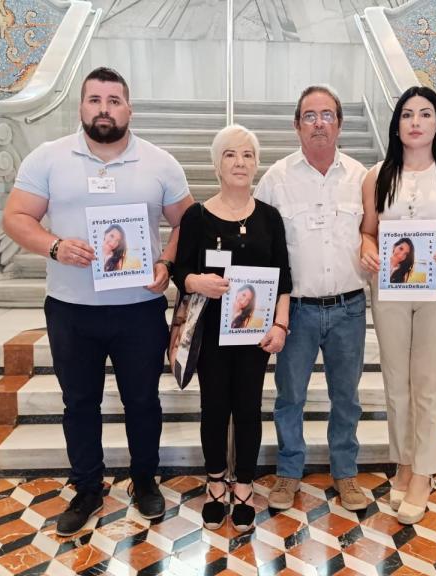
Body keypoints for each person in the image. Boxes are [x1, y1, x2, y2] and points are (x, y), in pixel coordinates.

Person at [2, 66, 194, 535]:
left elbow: (188, 223)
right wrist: (54, 246)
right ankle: (87, 488)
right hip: (71, 308)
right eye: (94, 100)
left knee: (143, 401)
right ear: (81, 106)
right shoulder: (48, 158)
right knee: (79, 403)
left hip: (138, 308)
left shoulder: (160, 162)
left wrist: (167, 265)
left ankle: (145, 480)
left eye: (113, 100)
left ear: (129, 108)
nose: (104, 109)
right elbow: (16, 217)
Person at [359, 85, 436, 525]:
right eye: (407, 114)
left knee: (429, 382)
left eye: (424, 114)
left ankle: (424, 473)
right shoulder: (378, 175)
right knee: (396, 381)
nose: (415, 122)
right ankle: (403, 463)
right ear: (396, 125)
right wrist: (367, 246)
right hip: (390, 289)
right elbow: (369, 230)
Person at [254, 85, 371, 512]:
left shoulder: (362, 178)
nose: (318, 123)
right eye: (309, 116)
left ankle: (345, 473)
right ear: (296, 125)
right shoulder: (276, 179)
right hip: (297, 311)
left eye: (326, 115)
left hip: (349, 308)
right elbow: (262, 247)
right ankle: (288, 473)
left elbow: (373, 235)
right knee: (290, 397)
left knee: (347, 397)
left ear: (339, 123)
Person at [173, 124, 292, 532]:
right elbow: (180, 272)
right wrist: (195, 282)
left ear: (256, 164)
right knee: (214, 408)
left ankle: (243, 485)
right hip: (210, 333)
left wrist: (280, 324)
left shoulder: (270, 219)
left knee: (247, 409)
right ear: (217, 164)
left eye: (247, 155)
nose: (239, 162)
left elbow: (284, 278)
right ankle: (215, 484)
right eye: (230, 155)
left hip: (254, 335)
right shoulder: (197, 216)